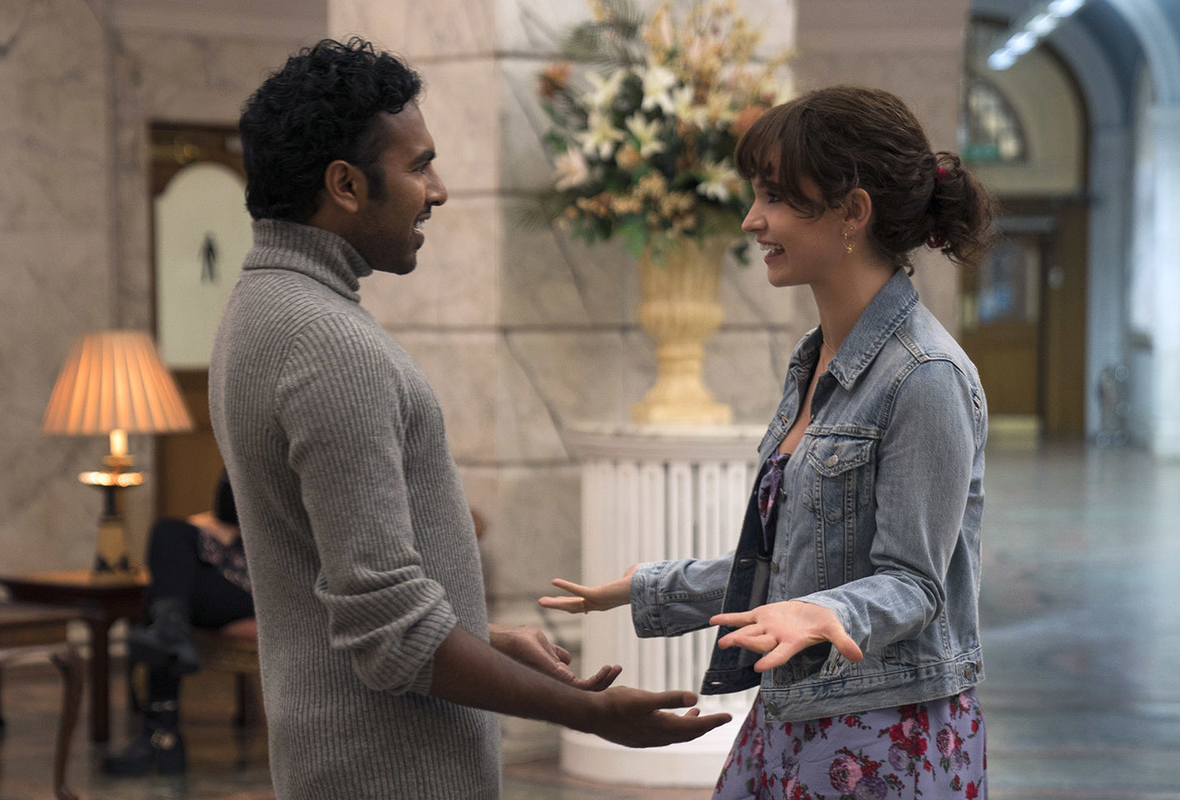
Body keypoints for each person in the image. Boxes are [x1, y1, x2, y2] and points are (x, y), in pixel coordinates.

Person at [208, 38, 730, 800]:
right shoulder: (328, 343)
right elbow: (391, 634)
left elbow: (346, 594)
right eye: (419, 166)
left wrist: (483, 639)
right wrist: (590, 713)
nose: (439, 191)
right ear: (345, 184)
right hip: (392, 776)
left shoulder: (256, 311)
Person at [541, 85, 995, 799]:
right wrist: (646, 587)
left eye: (776, 197)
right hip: (796, 713)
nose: (752, 220)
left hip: (885, 732)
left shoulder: (925, 375)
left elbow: (914, 585)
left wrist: (826, 613)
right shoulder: (815, 358)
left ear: (853, 212)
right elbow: (790, 566)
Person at [103, 471, 254, 776]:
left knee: (166, 600)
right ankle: (170, 632)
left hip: (268, 581)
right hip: (234, 556)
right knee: (170, 531)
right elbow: (227, 506)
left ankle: (161, 734)